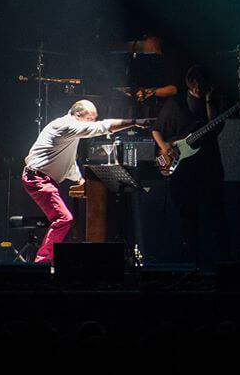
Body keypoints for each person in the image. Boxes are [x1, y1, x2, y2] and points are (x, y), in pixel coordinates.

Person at [22, 100, 139, 264]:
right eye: (90, 118)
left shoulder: (69, 132)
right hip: (37, 178)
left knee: (64, 219)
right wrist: (134, 122)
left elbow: (68, 163)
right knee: (64, 218)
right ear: (78, 115)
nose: (92, 123)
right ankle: (42, 262)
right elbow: (101, 127)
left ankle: (51, 260)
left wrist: (79, 179)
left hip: (42, 178)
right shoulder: (66, 125)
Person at [150, 65, 228, 268]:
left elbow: (215, 128)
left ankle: (220, 263)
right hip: (183, 171)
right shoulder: (176, 103)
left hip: (209, 168)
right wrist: (166, 147)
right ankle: (191, 261)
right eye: (196, 85)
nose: (199, 89)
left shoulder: (212, 102)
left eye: (203, 85)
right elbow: (156, 129)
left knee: (215, 215)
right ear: (190, 83)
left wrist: (209, 101)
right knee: (187, 217)